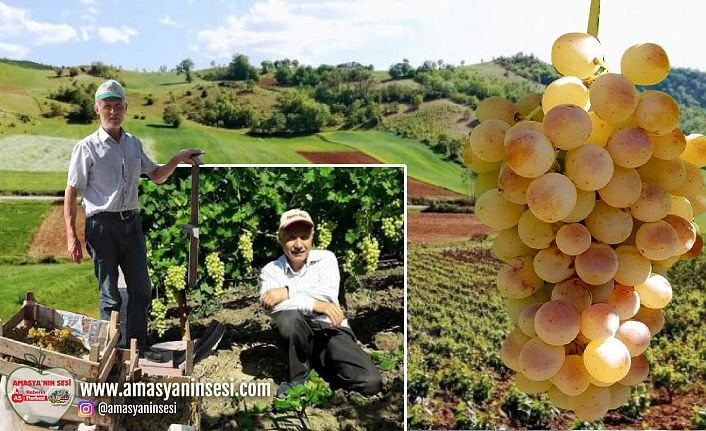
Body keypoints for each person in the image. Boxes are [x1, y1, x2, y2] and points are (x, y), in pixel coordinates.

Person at [64, 79, 203, 355]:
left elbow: (156, 176)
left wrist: (176, 158)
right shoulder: (86, 147)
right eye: (107, 107)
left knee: (141, 289)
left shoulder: (133, 145)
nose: (113, 111)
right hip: (101, 226)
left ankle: (136, 351)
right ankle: (112, 353)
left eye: (118, 106)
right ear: (97, 109)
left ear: (126, 108)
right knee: (110, 295)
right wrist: (72, 235)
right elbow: (71, 191)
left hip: (132, 225)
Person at [260, 209, 382, 397]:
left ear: (312, 237)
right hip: (299, 334)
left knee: (370, 382)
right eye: (291, 237)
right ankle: (299, 377)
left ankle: (322, 364)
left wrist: (286, 292)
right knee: (287, 319)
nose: (299, 244)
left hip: (331, 330)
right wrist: (315, 304)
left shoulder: (326, 258)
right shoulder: (271, 271)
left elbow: (327, 294)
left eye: (304, 237)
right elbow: (272, 308)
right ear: (280, 238)